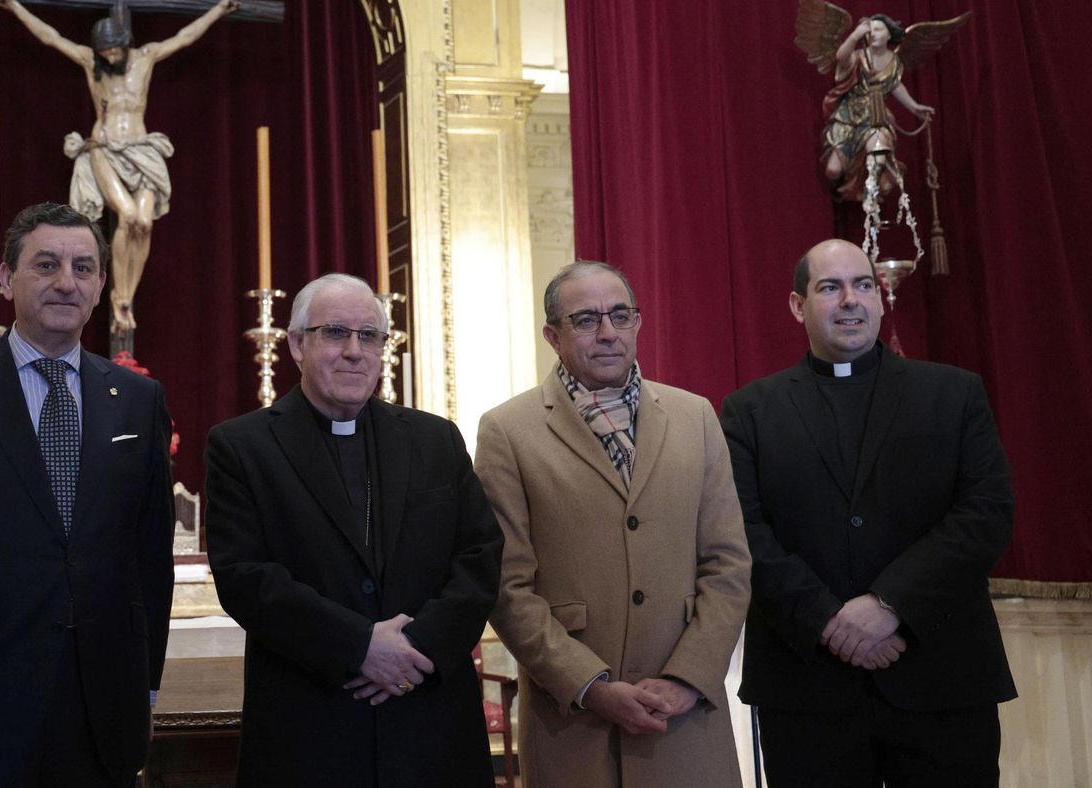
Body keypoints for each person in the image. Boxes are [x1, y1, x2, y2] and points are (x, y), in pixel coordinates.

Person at [0, 202, 174, 787]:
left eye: (84, 268)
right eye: (46, 264)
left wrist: (145, 685)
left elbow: (151, 554)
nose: (67, 282)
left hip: (102, 706)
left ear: (100, 285)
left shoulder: (139, 400)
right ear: (5, 277)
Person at [721, 238, 1015, 788]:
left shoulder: (953, 394)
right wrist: (830, 622)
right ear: (796, 305)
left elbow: (986, 513)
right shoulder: (749, 411)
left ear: (881, 300)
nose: (850, 300)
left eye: (863, 285)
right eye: (829, 288)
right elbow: (740, 531)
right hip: (807, 687)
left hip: (941, 678)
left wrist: (890, 605)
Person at [204, 273, 504, 787]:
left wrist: (415, 650)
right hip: (311, 727)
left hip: (429, 722)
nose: (354, 351)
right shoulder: (242, 446)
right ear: (297, 344)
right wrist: (359, 646)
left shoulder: (435, 439)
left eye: (369, 335)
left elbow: (479, 557)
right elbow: (246, 578)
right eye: (335, 332)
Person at [474, 260, 751, 788]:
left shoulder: (695, 416)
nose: (607, 333)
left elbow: (728, 564)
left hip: (683, 720)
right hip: (574, 721)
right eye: (585, 320)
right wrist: (591, 685)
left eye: (619, 315)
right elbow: (507, 587)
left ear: (637, 324)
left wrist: (688, 679)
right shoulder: (508, 431)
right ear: (553, 335)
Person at [0, 0, 242, 336]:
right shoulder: (90, 62)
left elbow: (186, 36)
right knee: (126, 216)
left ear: (125, 44)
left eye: (113, 50)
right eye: (104, 51)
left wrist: (219, 10)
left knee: (143, 222)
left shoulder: (145, 58)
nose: (108, 57)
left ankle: (126, 294)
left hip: (141, 150)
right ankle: (119, 298)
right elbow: (50, 37)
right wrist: (15, 6)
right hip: (104, 148)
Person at [820, 14, 935, 201]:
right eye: (871, 30)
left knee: (878, 157)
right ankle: (849, 186)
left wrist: (914, 107)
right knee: (833, 170)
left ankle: (870, 195)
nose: (873, 34)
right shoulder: (859, 56)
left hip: (876, 116)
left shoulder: (894, 62)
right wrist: (854, 36)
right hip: (849, 116)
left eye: (878, 30)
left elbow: (895, 86)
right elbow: (841, 58)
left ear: (889, 35)